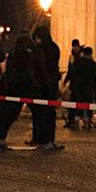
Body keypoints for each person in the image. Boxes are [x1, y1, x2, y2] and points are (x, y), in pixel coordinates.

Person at [0, 33, 37, 149]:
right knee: (13, 113)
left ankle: (0, 137)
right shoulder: (26, 55)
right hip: (23, 87)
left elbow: (9, 70)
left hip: (12, 87)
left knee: (9, 113)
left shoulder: (12, 53)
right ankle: (0, 137)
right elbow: (28, 71)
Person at [28, 17, 62, 151]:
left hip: (42, 85)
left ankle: (43, 138)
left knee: (42, 113)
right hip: (49, 85)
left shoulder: (40, 50)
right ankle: (47, 139)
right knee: (47, 113)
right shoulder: (54, 48)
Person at [64, 41, 92, 130]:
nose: (75, 48)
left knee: (80, 103)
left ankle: (80, 120)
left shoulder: (81, 57)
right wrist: (66, 80)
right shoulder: (72, 56)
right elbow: (70, 70)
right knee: (73, 103)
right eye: (73, 46)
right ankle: (72, 120)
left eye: (76, 46)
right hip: (75, 84)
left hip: (80, 85)